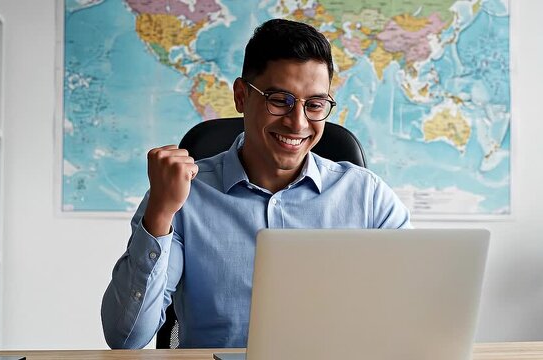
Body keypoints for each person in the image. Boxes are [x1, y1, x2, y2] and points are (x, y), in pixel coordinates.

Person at [101, 18, 411, 349]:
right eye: (280, 100)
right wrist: (161, 213)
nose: (298, 123)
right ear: (241, 96)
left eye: (315, 105)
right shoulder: (182, 197)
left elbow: (413, 315)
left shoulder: (369, 197)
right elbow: (126, 339)